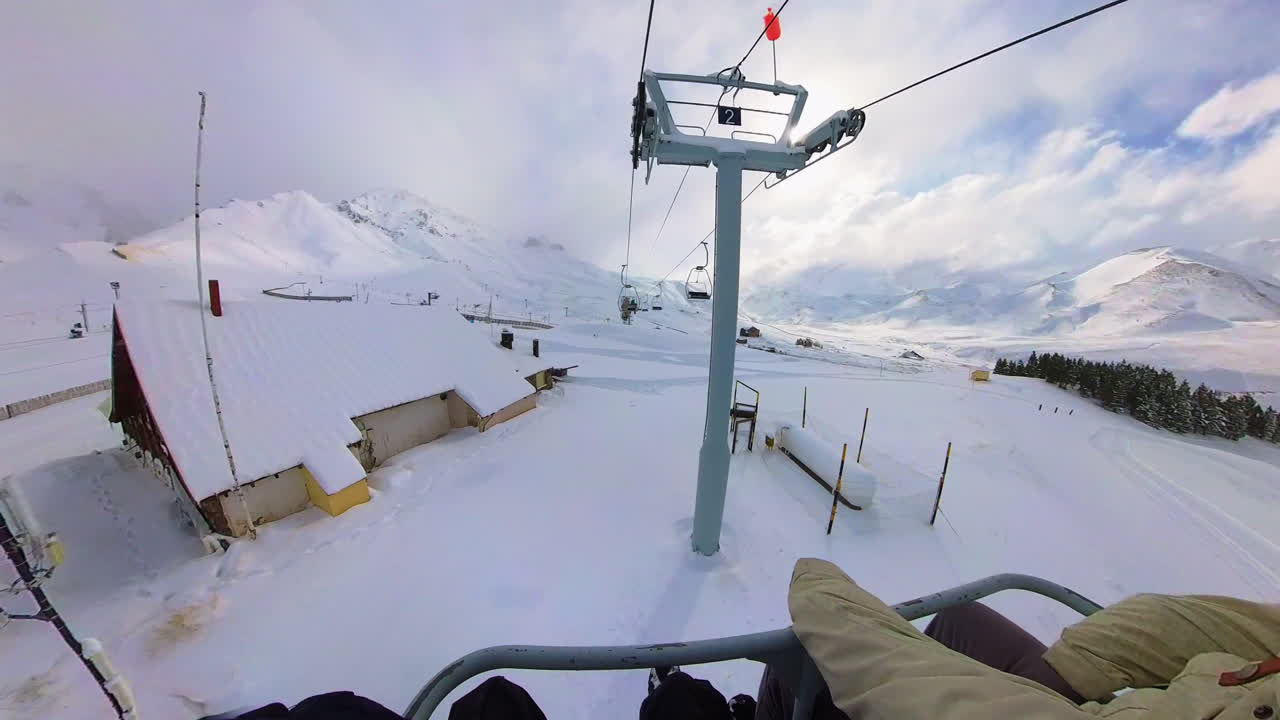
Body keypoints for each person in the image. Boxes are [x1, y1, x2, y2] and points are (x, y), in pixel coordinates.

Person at [214, 558, 1280, 719]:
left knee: (828, 642)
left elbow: (832, 607)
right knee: (959, 616)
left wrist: (829, 598)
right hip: (1157, 682)